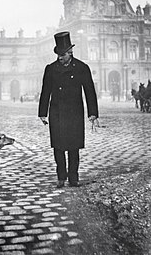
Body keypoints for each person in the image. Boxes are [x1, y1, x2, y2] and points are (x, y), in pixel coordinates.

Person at [38, 31, 99, 188]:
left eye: (63, 55)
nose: (59, 58)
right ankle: (61, 177)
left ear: (70, 53)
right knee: (58, 147)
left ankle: (73, 178)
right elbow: (46, 91)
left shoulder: (81, 68)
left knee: (73, 147)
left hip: (74, 113)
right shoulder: (50, 69)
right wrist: (43, 113)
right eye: (58, 54)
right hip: (56, 113)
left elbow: (89, 91)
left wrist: (92, 113)